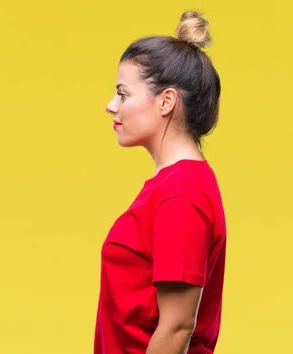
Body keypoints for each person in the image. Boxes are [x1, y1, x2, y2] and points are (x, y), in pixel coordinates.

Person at [94, 11, 227, 354]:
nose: (111, 106)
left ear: (166, 101)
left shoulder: (180, 193)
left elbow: (177, 327)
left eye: (122, 93)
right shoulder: (173, 185)